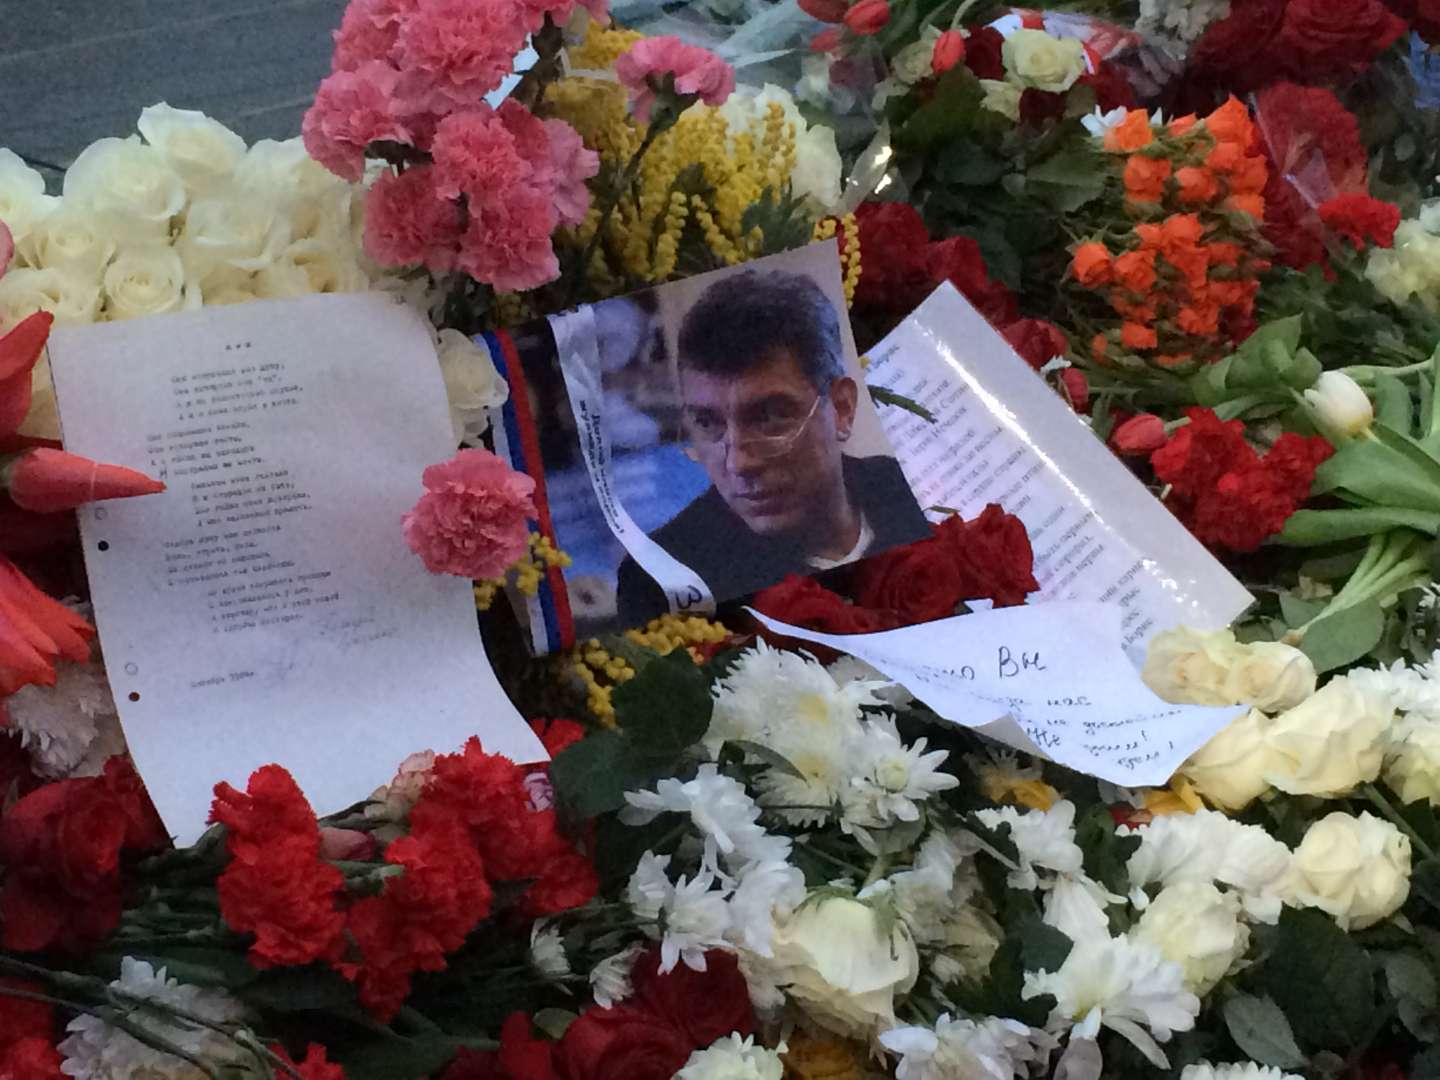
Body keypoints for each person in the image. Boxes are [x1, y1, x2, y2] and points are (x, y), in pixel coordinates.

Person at [615, 267, 928, 627]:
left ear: (841, 408)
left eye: (770, 417)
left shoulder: (906, 485)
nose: (738, 464)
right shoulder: (660, 582)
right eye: (707, 423)